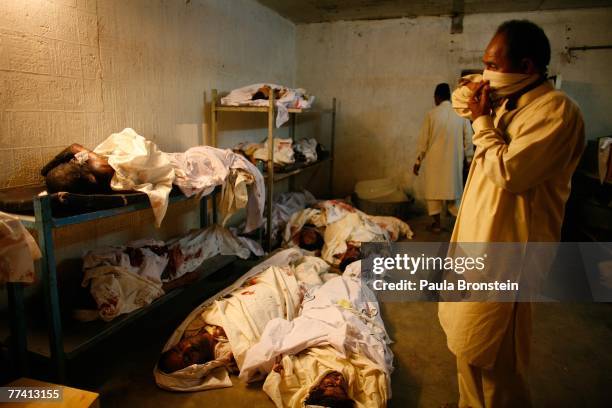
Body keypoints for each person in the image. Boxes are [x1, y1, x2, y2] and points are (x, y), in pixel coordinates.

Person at [439, 20, 585, 407]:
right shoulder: (507, 96)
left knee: (497, 365)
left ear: (526, 66)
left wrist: (483, 121)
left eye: (492, 64)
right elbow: (459, 97)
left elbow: (509, 172)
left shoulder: (556, 112)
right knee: (468, 350)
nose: (485, 72)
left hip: (508, 259)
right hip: (477, 246)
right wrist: (482, 96)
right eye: (483, 64)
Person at [413, 83, 473, 233]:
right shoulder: (461, 114)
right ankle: (462, 227)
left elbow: (423, 141)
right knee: (455, 194)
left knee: (434, 194)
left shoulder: (431, 115)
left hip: (434, 163)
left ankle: (437, 225)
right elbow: (469, 138)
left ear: (437, 97)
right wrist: (469, 159)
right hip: (454, 162)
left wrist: (418, 161)